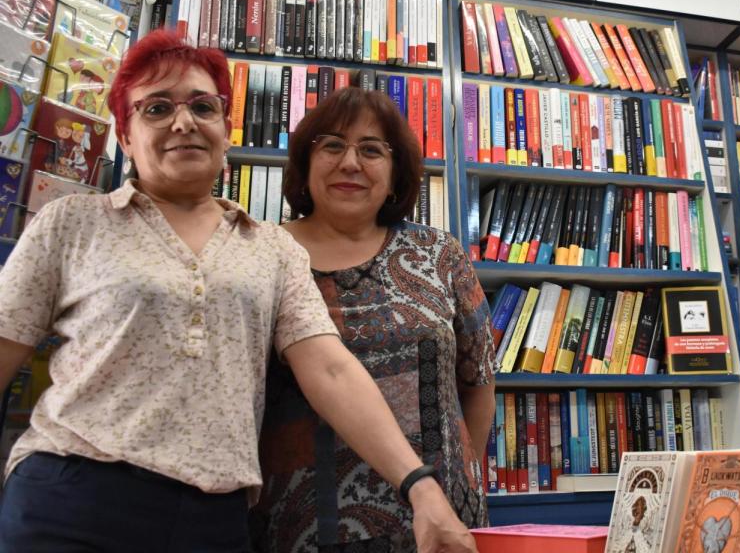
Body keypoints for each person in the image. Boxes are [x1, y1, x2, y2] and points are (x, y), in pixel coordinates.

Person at [0, 30, 475, 553]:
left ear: (225, 128)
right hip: (74, 498)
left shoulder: (271, 248)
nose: (183, 122)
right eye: (156, 108)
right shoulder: (72, 221)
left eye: (202, 106)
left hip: (215, 518)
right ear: (125, 135)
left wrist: (419, 484)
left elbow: (331, 369)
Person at [250, 87, 496, 552]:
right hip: (300, 528)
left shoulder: (438, 254)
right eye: (332, 146)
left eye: (371, 150)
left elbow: (478, 378)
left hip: (442, 520)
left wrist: (464, 478)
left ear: (396, 174)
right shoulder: (263, 255)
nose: (350, 163)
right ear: (304, 164)